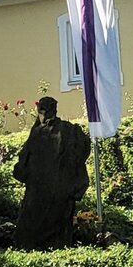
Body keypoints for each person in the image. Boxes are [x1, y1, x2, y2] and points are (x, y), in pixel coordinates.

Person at [12, 96, 90, 249]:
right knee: (38, 220)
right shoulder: (43, 131)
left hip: (51, 188)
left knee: (45, 221)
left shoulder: (64, 130)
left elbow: (24, 159)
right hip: (44, 188)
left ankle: (39, 246)